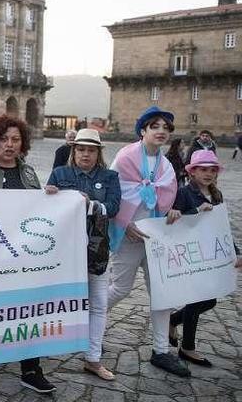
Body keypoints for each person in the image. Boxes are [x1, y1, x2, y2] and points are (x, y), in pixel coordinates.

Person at [0, 115, 57, 393]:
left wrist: (50, 196)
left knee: (28, 308)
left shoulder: (28, 173)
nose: (9, 145)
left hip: (20, 257)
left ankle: (31, 369)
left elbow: (36, 211)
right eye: (4, 139)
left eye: (15, 139)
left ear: (23, 143)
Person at [106, 106, 189, 377]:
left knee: (161, 294)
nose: (161, 131)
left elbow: (169, 195)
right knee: (120, 288)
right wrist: (124, 223)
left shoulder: (166, 166)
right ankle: (85, 324)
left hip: (156, 238)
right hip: (129, 235)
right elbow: (113, 191)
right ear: (143, 130)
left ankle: (161, 350)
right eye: (155, 126)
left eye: (166, 128)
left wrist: (173, 209)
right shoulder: (126, 156)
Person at [44, 129, 120, 381]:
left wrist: (90, 204)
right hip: (64, 250)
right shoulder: (60, 174)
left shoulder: (110, 177)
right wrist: (52, 196)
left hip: (96, 249)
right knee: (56, 299)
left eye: (91, 150)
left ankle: (93, 358)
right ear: (73, 151)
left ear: (98, 153)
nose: (85, 154)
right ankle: (47, 346)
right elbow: (45, 207)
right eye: (81, 149)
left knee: (98, 303)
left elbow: (113, 208)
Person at [168, 150, 242, 367]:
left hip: (211, 254)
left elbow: (222, 228)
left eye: (212, 170)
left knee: (210, 299)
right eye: (203, 169)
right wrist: (195, 210)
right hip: (193, 255)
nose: (208, 173)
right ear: (192, 172)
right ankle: (187, 348)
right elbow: (173, 222)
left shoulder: (217, 195)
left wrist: (235, 252)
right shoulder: (184, 193)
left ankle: (171, 321)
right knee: (198, 299)